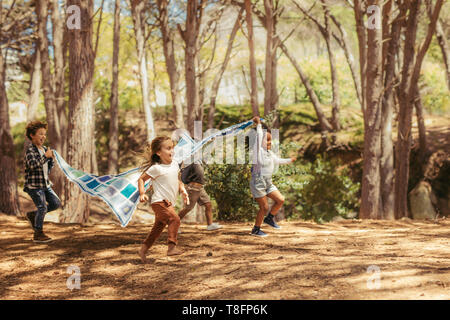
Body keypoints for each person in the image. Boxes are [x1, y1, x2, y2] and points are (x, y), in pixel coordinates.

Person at [137, 136, 189, 263]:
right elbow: (141, 179)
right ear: (158, 153)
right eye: (168, 148)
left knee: (157, 228)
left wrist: (182, 190)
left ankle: (143, 249)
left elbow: (176, 179)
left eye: (173, 148)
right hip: (159, 202)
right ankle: (171, 248)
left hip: (168, 202)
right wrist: (142, 193)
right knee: (175, 219)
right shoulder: (156, 168)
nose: (172, 151)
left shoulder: (175, 165)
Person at [250, 116, 296, 237]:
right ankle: (256, 229)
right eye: (267, 140)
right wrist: (259, 124)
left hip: (268, 182)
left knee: (280, 200)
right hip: (258, 183)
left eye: (271, 141)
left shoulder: (269, 153)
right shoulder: (257, 151)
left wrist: (289, 160)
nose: (269, 143)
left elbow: (278, 160)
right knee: (264, 207)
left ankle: (269, 219)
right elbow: (260, 136)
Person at [24, 120, 61, 243]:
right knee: (42, 207)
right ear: (32, 135)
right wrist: (46, 156)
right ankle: (38, 234)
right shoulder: (30, 150)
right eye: (40, 134)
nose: (43, 136)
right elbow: (33, 165)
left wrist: (51, 159)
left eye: (44, 134)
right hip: (34, 186)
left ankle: (33, 215)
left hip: (45, 184)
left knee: (55, 203)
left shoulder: (44, 149)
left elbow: (47, 168)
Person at [178, 159, 223, 231]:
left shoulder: (199, 160)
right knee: (188, 208)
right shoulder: (188, 160)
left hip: (200, 187)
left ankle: (210, 225)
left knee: (208, 204)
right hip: (192, 187)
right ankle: (174, 224)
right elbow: (182, 171)